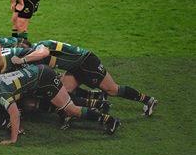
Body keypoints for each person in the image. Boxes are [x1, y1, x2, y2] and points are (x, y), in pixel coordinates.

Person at [0, 64, 120, 145]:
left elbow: (15, 114)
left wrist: (12, 140)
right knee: (40, 104)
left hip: (45, 79)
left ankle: (108, 119)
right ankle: (100, 107)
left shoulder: (1, 95)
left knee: (70, 109)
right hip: (38, 75)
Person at [11, 40, 158, 116]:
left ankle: (147, 100)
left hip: (87, 62)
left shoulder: (40, 47)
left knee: (113, 89)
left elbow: (43, 54)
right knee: (64, 91)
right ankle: (85, 112)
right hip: (75, 68)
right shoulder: (35, 52)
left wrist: (22, 60)